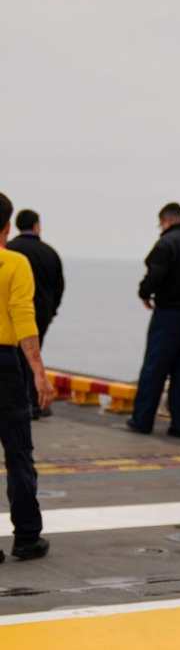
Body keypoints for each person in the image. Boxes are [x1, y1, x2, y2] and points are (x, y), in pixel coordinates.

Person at [0, 193, 53, 561]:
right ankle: (27, 536)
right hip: (5, 367)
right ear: (6, 225)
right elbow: (23, 319)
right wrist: (39, 373)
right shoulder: (14, 263)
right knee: (18, 451)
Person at [127, 203, 180, 438]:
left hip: (168, 314)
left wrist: (144, 292)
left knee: (155, 368)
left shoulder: (166, 243)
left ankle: (142, 420)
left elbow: (155, 273)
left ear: (167, 221)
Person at [7, 209, 64, 419]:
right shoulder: (50, 252)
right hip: (40, 314)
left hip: (12, 315)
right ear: (37, 225)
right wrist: (52, 311)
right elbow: (59, 286)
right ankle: (36, 402)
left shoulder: (11, 250)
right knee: (34, 355)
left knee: (16, 358)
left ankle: (18, 400)